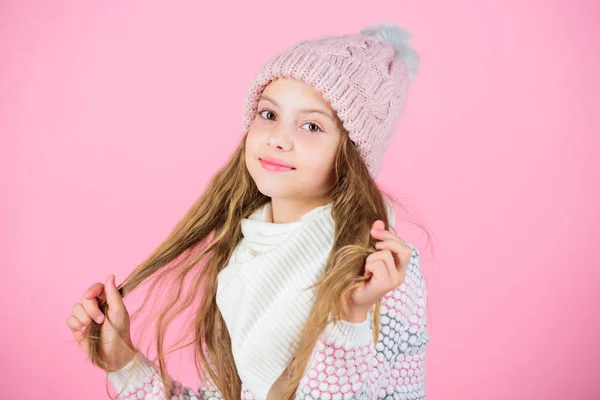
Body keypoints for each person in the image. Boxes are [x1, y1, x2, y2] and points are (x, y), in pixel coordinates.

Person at [66, 21, 430, 400]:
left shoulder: (379, 269)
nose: (277, 138)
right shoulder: (243, 256)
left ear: (352, 153)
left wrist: (349, 318)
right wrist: (124, 364)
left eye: (311, 126)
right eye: (269, 115)